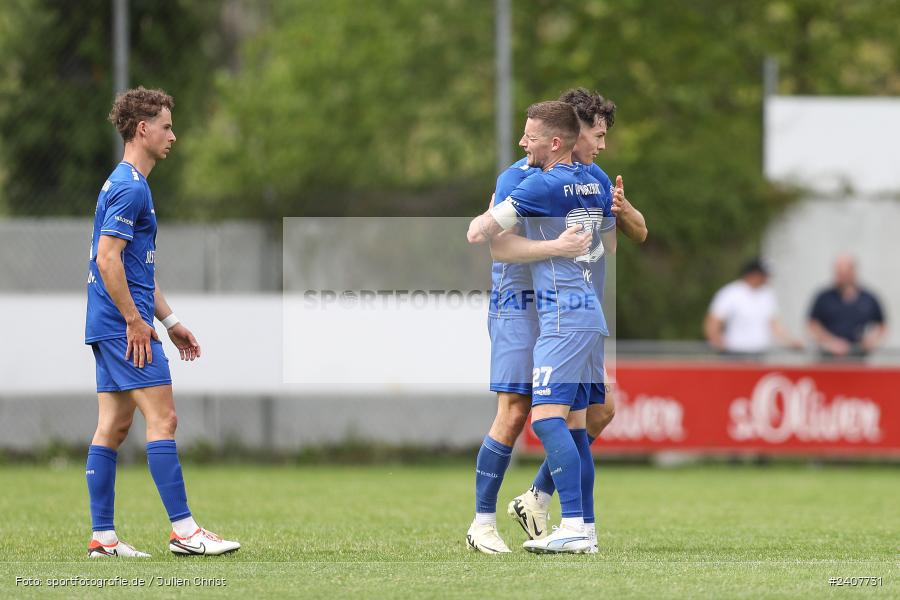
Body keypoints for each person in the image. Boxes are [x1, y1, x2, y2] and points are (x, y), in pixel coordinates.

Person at [84, 87, 239, 557]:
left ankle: (104, 538)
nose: (175, 136)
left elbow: (133, 268)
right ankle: (185, 532)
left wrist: (170, 321)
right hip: (122, 325)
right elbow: (106, 258)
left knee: (112, 427)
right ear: (143, 129)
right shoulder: (132, 187)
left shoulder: (124, 182)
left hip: (109, 322)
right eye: (167, 127)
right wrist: (135, 321)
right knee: (164, 419)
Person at [468, 100, 614, 554]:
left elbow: (614, 232)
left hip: (565, 309)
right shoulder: (521, 177)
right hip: (521, 304)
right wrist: (560, 246)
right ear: (573, 136)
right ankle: (484, 523)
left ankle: (564, 517)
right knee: (517, 412)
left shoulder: (589, 177)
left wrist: (622, 213)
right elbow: (496, 248)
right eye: (600, 135)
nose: (603, 145)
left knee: (582, 414)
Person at [704, 258, 802, 355]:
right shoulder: (731, 293)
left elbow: (774, 324)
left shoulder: (768, 294)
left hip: (760, 352)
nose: (767, 279)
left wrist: (789, 342)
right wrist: (718, 343)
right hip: (735, 352)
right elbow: (713, 321)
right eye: (764, 275)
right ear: (753, 274)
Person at [808, 254, 886, 358]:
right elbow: (812, 325)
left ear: (853, 271)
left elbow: (882, 325)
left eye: (844, 273)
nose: (841, 277)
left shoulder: (869, 298)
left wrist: (871, 340)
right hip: (828, 358)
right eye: (838, 273)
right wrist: (830, 342)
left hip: (860, 356)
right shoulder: (823, 297)